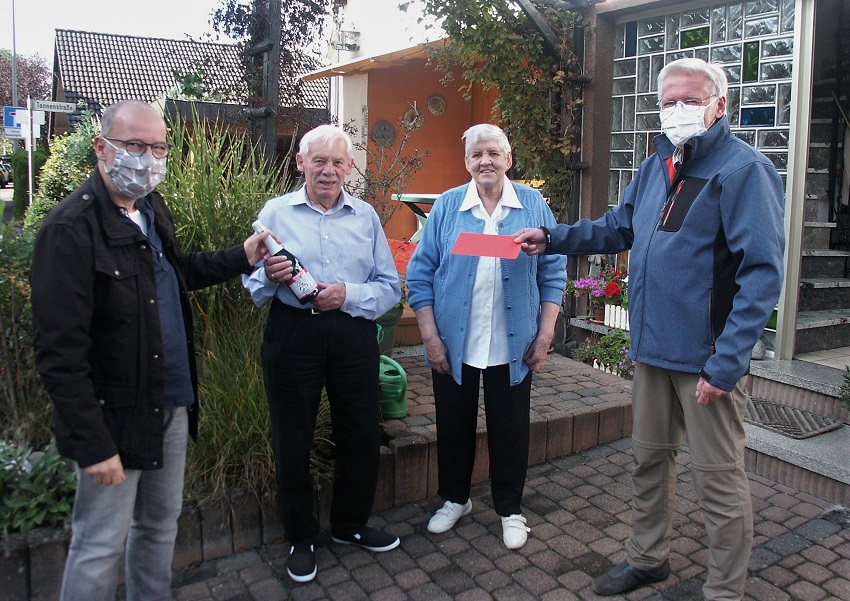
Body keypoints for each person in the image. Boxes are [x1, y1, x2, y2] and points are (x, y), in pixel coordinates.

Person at [515, 58, 785, 600]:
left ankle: (725, 590)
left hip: (706, 359)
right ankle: (647, 558)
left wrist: (727, 361)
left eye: (689, 100)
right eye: (667, 102)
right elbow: (618, 227)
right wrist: (554, 236)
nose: (677, 110)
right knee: (647, 460)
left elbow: (762, 274)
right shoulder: (657, 163)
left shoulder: (742, 170)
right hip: (653, 349)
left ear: (718, 105)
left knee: (718, 479)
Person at [30, 100, 270, 601]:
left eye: (157, 147)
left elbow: (178, 273)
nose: (147, 158)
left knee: (160, 526)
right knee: (99, 545)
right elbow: (59, 354)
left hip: (173, 400)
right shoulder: (70, 229)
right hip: (114, 415)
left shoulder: (152, 209)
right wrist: (92, 443)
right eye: (135, 145)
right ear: (102, 147)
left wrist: (241, 257)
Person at [243, 124, 402, 583]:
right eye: (319, 161)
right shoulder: (275, 213)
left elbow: (389, 289)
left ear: (349, 168)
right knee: (292, 437)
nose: (329, 171)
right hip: (293, 333)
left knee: (359, 432)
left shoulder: (366, 216)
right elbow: (251, 286)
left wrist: (347, 295)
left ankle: (350, 525)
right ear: (301, 163)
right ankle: (300, 536)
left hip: (351, 333)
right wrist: (270, 277)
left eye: (338, 162)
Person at [406, 124, 567, 550]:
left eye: (494, 153)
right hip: (454, 342)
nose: (485, 161)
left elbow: (553, 271)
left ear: (508, 159)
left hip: (513, 343)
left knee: (510, 429)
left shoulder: (532, 206)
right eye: (476, 154)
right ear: (467, 162)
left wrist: (546, 333)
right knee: (453, 425)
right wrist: (430, 336)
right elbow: (420, 274)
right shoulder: (447, 208)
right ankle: (455, 499)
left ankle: (510, 509)